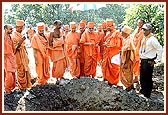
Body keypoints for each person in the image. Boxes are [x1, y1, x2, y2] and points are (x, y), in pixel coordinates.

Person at [139, 23, 163, 98]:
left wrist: (156, 61)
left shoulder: (153, 39)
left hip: (149, 61)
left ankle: (147, 94)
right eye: (143, 30)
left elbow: (159, 49)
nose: (144, 31)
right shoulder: (145, 38)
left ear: (150, 30)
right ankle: (143, 92)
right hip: (143, 60)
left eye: (146, 30)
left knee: (147, 78)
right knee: (142, 78)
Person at [101, 19, 123, 86]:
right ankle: (107, 79)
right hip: (107, 54)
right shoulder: (108, 34)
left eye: (109, 26)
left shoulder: (117, 33)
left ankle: (114, 82)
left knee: (114, 68)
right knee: (105, 66)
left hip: (114, 54)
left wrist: (107, 45)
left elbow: (118, 45)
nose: (108, 28)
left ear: (113, 26)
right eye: (107, 26)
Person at [12, 20, 32, 90]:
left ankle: (27, 85)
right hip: (17, 55)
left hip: (23, 53)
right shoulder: (13, 36)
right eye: (20, 28)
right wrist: (21, 40)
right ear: (16, 27)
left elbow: (23, 46)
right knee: (20, 70)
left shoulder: (21, 34)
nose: (21, 30)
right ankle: (21, 86)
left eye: (22, 28)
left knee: (25, 68)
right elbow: (15, 48)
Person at [48, 20, 66, 84]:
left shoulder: (61, 31)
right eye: (59, 25)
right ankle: (57, 78)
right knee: (56, 65)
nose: (60, 26)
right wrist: (57, 42)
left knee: (62, 64)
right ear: (55, 25)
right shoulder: (52, 33)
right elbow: (50, 43)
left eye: (61, 25)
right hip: (55, 51)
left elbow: (63, 41)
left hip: (61, 50)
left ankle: (61, 77)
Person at [120, 26, 135, 91]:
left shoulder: (129, 40)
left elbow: (129, 51)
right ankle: (130, 86)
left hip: (127, 60)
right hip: (125, 60)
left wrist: (126, 62)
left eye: (122, 32)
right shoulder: (127, 39)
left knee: (127, 73)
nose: (121, 34)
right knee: (128, 73)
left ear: (126, 33)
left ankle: (129, 86)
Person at [4, 24, 17, 93]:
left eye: (12, 29)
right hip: (5, 58)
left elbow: (12, 48)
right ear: (5, 29)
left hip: (11, 57)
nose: (12, 30)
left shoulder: (10, 37)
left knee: (13, 73)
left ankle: (10, 88)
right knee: (9, 75)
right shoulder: (3, 37)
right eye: (10, 29)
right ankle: (7, 89)